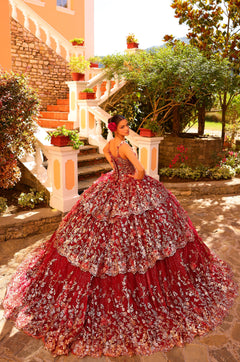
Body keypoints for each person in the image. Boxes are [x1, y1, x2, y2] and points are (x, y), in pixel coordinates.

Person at [3, 115, 238, 358]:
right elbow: (139, 171)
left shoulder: (108, 147)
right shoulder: (124, 145)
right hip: (132, 188)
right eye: (124, 126)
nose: (128, 129)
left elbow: (113, 168)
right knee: (144, 237)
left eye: (128, 125)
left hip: (112, 185)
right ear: (117, 129)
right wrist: (137, 183)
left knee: (106, 235)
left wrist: (120, 178)